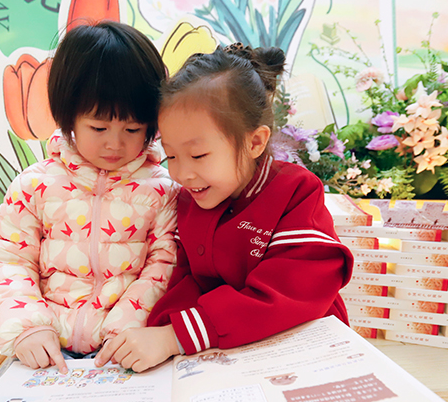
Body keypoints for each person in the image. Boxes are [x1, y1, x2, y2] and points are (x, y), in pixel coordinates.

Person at [94, 43, 353, 372]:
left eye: (198, 155)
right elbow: (187, 281)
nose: (181, 173)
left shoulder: (296, 192)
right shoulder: (192, 198)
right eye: (171, 156)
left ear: (255, 142)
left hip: (303, 351)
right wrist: (159, 329)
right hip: (227, 354)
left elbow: (288, 292)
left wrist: (175, 337)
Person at [0, 21, 179, 374]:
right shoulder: (35, 185)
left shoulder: (162, 190)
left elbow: (166, 265)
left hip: (127, 347)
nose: (115, 143)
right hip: (45, 347)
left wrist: (126, 328)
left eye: (133, 129)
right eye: (98, 127)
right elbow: (6, 260)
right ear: (68, 116)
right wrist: (27, 327)